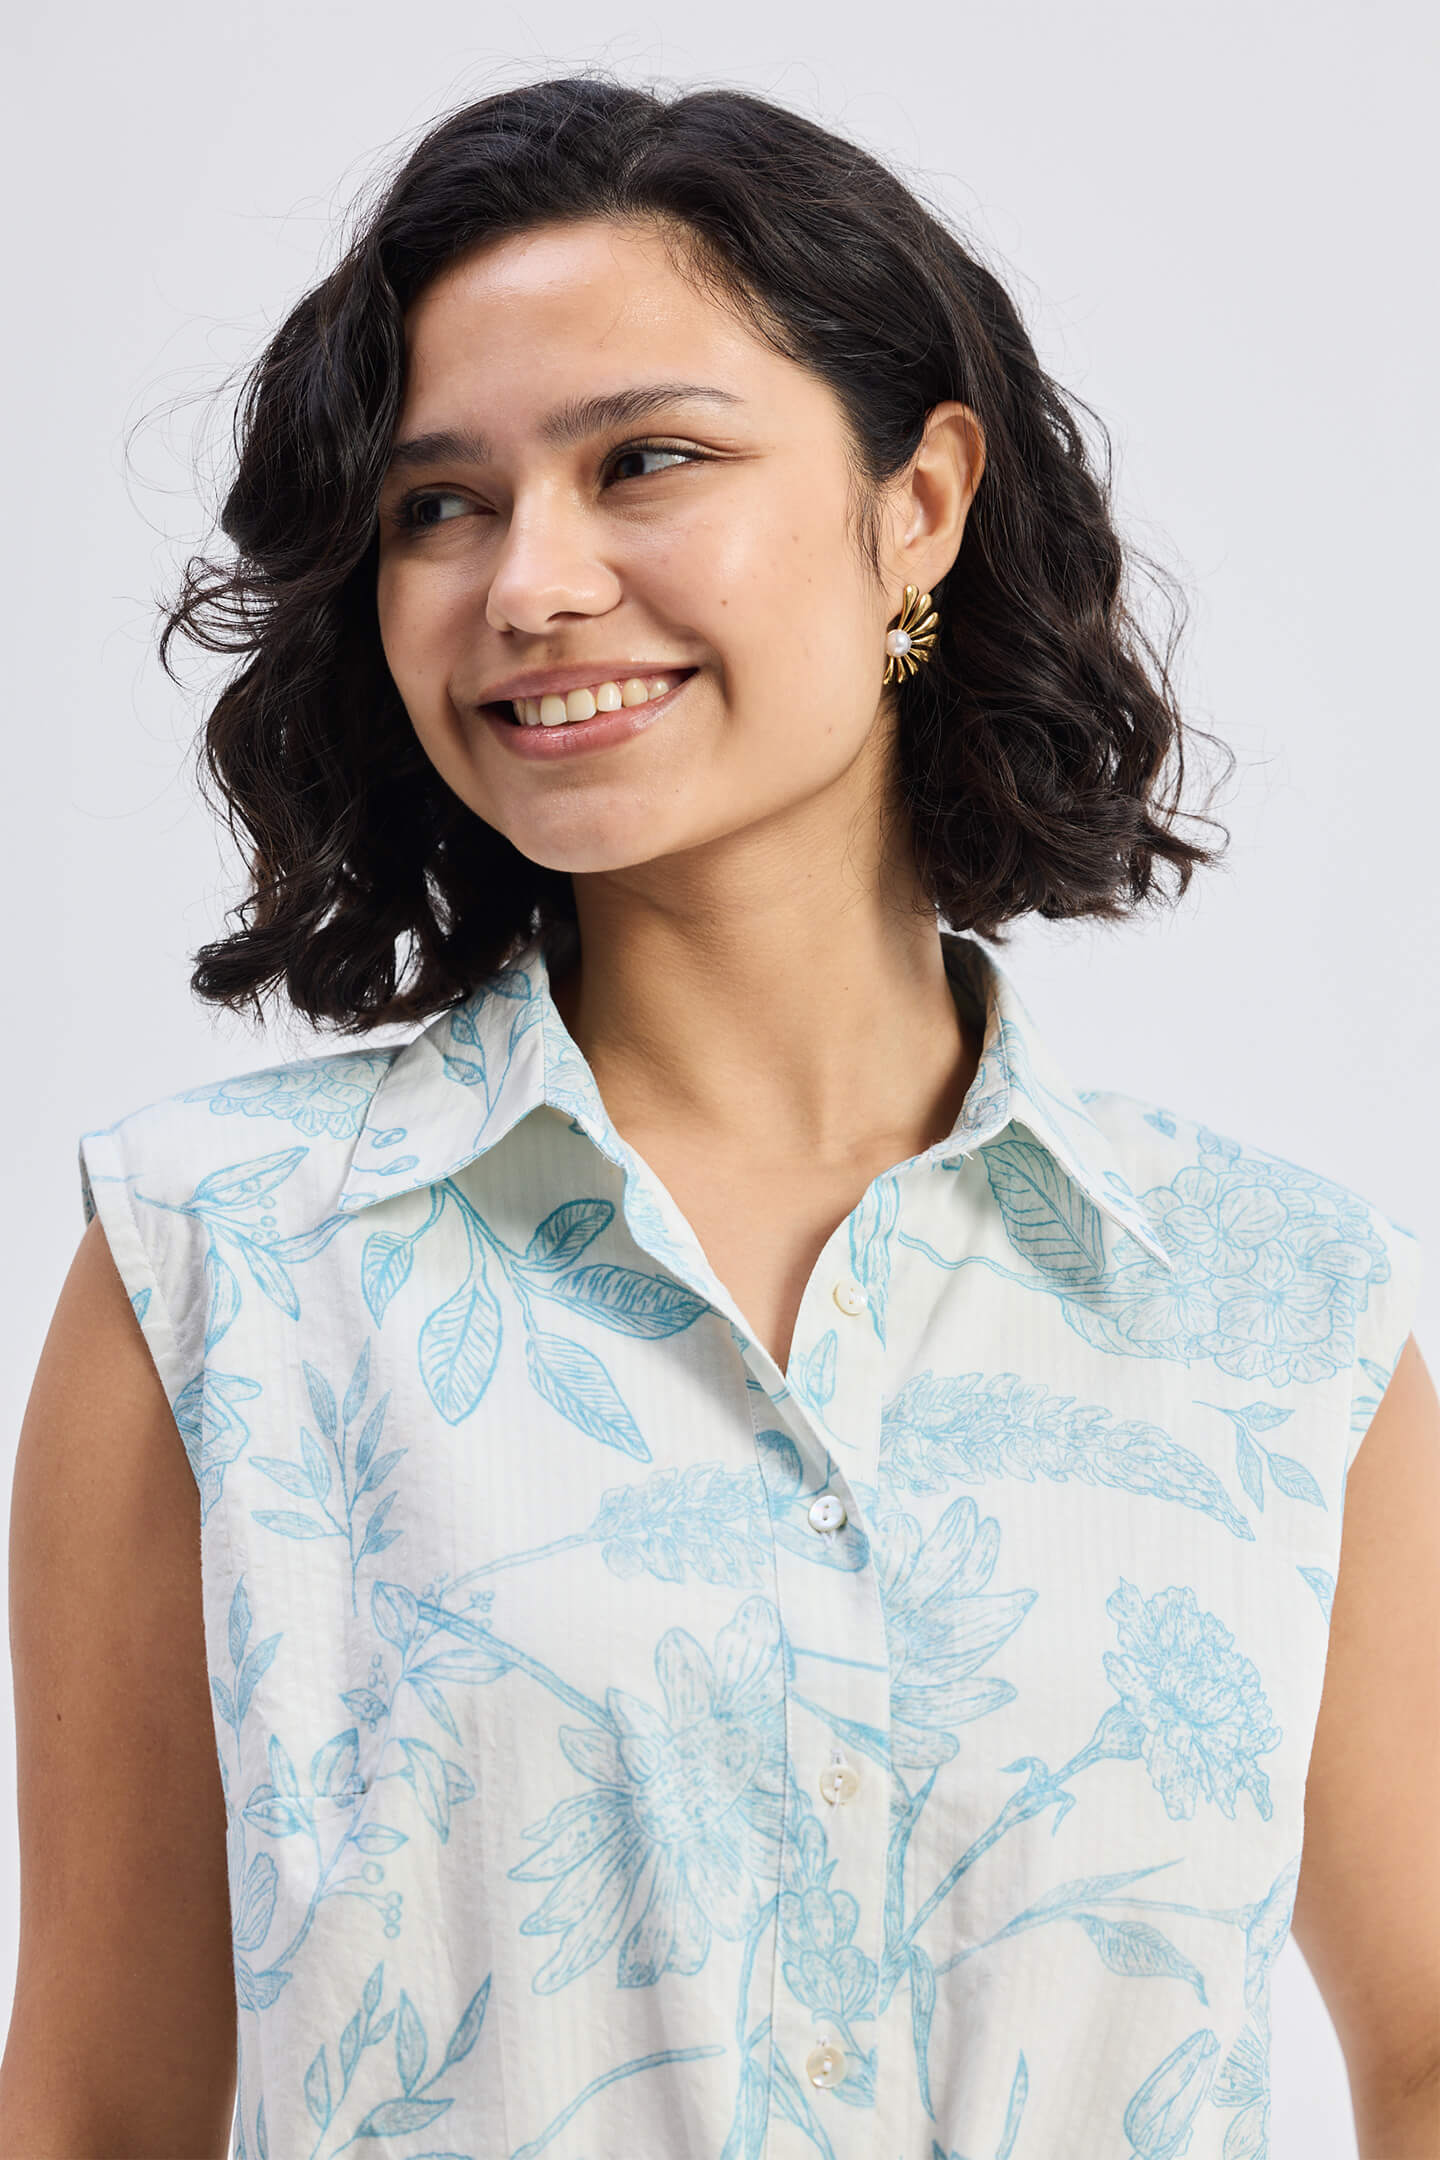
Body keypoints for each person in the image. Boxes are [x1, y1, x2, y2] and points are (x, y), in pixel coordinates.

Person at [3, 73, 1435, 2160]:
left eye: (644, 461)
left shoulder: (1273, 1313)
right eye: (439, 504)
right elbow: (100, 2112)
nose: (529, 583)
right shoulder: (219, 1279)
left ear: (917, 506)